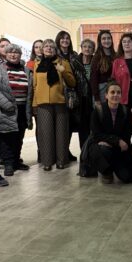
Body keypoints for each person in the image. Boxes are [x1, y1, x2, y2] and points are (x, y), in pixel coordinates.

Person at [0, 43, 33, 176]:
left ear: (20, 55)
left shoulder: (26, 70)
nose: (13, 55)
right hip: (5, 110)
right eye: (10, 52)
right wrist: (5, 103)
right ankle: (8, 164)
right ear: (5, 55)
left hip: (22, 109)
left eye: (16, 52)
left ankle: (16, 162)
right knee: (6, 138)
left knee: (19, 137)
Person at [32, 39, 76, 171]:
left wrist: (63, 71)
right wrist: (34, 104)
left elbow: (72, 83)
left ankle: (61, 160)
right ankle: (47, 161)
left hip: (60, 102)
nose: (49, 48)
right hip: (42, 103)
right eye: (46, 46)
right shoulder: (37, 64)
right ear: (42, 49)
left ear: (55, 49)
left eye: (51, 46)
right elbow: (34, 86)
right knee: (45, 134)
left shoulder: (63, 62)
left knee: (61, 134)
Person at [88, 81, 132, 184]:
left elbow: (128, 132)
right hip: (103, 147)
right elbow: (96, 134)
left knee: (129, 177)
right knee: (103, 149)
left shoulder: (126, 111)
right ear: (106, 95)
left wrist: (117, 142)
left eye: (118, 92)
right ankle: (106, 171)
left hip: (119, 149)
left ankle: (115, 167)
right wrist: (117, 140)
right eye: (112, 92)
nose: (115, 95)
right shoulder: (98, 110)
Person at [56, 30, 86, 161]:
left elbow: (81, 72)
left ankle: (82, 153)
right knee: (63, 126)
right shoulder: (55, 56)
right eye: (62, 38)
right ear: (58, 40)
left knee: (75, 124)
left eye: (67, 38)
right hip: (60, 94)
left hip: (75, 93)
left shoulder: (74, 55)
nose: (65, 40)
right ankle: (63, 152)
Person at [76, 38, 95, 148]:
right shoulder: (75, 62)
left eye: (90, 47)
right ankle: (83, 151)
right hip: (80, 100)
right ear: (81, 48)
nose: (87, 49)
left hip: (92, 99)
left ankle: (92, 152)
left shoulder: (96, 63)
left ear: (93, 50)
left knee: (93, 127)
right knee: (82, 129)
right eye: (85, 46)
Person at [90, 29, 115, 104]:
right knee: (102, 111)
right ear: (100, 41)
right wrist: (96, 98)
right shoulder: (97, 57)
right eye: (104, 39)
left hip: (114, 89)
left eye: (108, 38)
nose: (106, 41)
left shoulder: (115, 55)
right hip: (101, 90)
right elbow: (94, 78)